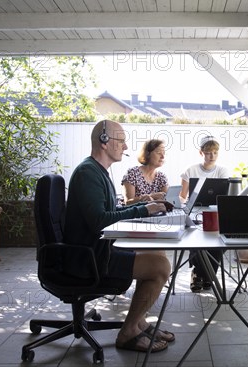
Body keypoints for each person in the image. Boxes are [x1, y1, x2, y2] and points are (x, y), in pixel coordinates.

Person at [64, 120, 175, 353]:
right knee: (161, 267)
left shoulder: (98, 171)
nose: (125, 147)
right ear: (104, 142)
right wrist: (144, 209)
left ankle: (139, 323)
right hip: (89, 258)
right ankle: (127, 333)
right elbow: (100, 220)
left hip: (97, 249)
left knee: (156, 252)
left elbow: (109, 213)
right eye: (121, 141)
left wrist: (145, 205)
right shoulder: (88, 173)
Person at [180, 135, 230, 292]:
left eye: (215, 152)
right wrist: (184, 208)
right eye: (208, 152)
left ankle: (205, 274)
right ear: (201, 152)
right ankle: (202, 274)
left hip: (215, 214)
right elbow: (182, 196)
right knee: (195, 238)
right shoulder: (191, 170)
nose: (212, 156)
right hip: (195, 213)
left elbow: (224, 197)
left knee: (219, 240)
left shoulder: (222, 171)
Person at [122, 139, 168, 205]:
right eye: (158, 153)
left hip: (157, 214)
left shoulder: (161, 177)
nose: (163, 157)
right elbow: (128, 202)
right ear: (147, 154)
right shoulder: (132, 173)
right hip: (136, 214)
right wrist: (150, 196)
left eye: (164, 153)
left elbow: (167, 200)